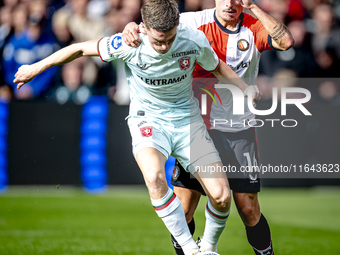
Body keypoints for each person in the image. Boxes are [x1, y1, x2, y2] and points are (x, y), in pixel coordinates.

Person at [13, 0, 261, 254]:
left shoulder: (192, 39)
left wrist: (244, 88)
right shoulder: (129, 43)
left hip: (188, 120)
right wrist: (36, 67)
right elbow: (78, 49)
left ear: (177, 26)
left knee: (221, 196)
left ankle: (207, 248)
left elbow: (217, 65)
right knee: (154, 176)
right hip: (149, 119)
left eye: (170, 39)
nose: (164, 46)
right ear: (145, 29)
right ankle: (190, 249)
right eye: (158, 41)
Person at [122, 0, 294, 254]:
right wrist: (130, 27)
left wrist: (255, 8)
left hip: (239, 127)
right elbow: (152, 26)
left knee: (247, 208)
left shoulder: (253, 26)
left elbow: (285, 42)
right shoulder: (193, 21)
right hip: (197, 125)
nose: (231, 4)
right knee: (184, 208)